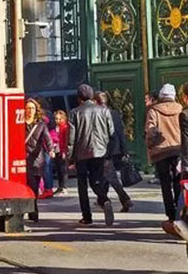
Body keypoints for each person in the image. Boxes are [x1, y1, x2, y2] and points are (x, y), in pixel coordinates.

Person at [67, 83, 115, 226]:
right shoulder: (104, 111)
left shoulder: (75, 113)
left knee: (82, 185)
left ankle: (86, 216)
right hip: (100, 151)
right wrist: (109, 151)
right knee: (96, 180)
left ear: (79, 98)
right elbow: (111, 133)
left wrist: (69, 158)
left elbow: (71, 139)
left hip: (81, 154)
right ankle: (104, 199)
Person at [146, 83, 182, 230]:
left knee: (165, 184)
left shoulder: (154, 111)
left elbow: (150, 130)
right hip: (178, 150)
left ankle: (170, 214)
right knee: (178, 182)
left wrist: (150, 145)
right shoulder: (181, 109)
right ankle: (180, 212)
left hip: (161, 152)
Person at [95, 91, 134, 212]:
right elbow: (120, 132)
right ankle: (102, 199)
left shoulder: (99, 114)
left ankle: (125, 199)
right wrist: (124, 149)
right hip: (116, 148)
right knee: (105, 175)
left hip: (104, 149)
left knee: (110, 176)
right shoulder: (115, 113)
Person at [24, 99, 53, 222]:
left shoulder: (41, 125)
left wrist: (51, 150)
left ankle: (33, 212)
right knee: (25, 186)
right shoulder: (19, 123)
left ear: (36, 111)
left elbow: (47, 139)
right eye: (28, 108)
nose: (30, 111)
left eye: (32, 108)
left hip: (36, 160)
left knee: (34, 188)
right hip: (22, 159)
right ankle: (26, 211)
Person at [52, 110, 70, 195]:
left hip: (62, 149)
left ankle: (65, 187)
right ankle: (60, 186)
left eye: (59, 119)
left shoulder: (65, 127)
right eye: (56, 119)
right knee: (58, 169)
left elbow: (66, 140)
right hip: (56, 150)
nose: (57, 121)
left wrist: (64, 151)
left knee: (63, 169)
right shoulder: (55, 128)